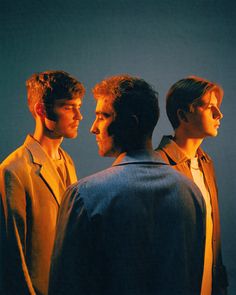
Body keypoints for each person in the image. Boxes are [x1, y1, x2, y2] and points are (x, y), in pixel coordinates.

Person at [49, 74, 205, 295]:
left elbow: (64, 286)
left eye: (103, 116)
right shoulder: (191, 192)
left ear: (131, 122)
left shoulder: (84, 196)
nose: (93, 128)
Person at [0, 70, 85, 295]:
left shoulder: (67, 162)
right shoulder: (14, 170)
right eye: (68, 107)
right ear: (41, 110)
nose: (79, 116)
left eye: (79, 106)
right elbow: (13, 257)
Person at [155, 76, 228, 295]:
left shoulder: (206, 163)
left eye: (218, 108)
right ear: (183, 114)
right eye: (210, 108)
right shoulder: (158, 164)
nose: (219, 115)